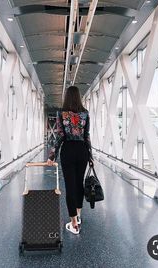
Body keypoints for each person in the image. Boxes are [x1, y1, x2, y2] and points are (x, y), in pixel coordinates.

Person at [47, 86, 93, 235]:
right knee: (79, 185)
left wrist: (52, 155)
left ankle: (73, 223)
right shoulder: (85, 114)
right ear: (79, 97)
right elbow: (87, 136)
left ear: (66, 97)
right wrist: (90, 156)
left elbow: (60, 136)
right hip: (82, 151)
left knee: (70, 186)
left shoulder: (62, 114)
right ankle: (78, 215)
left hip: (68, 151)